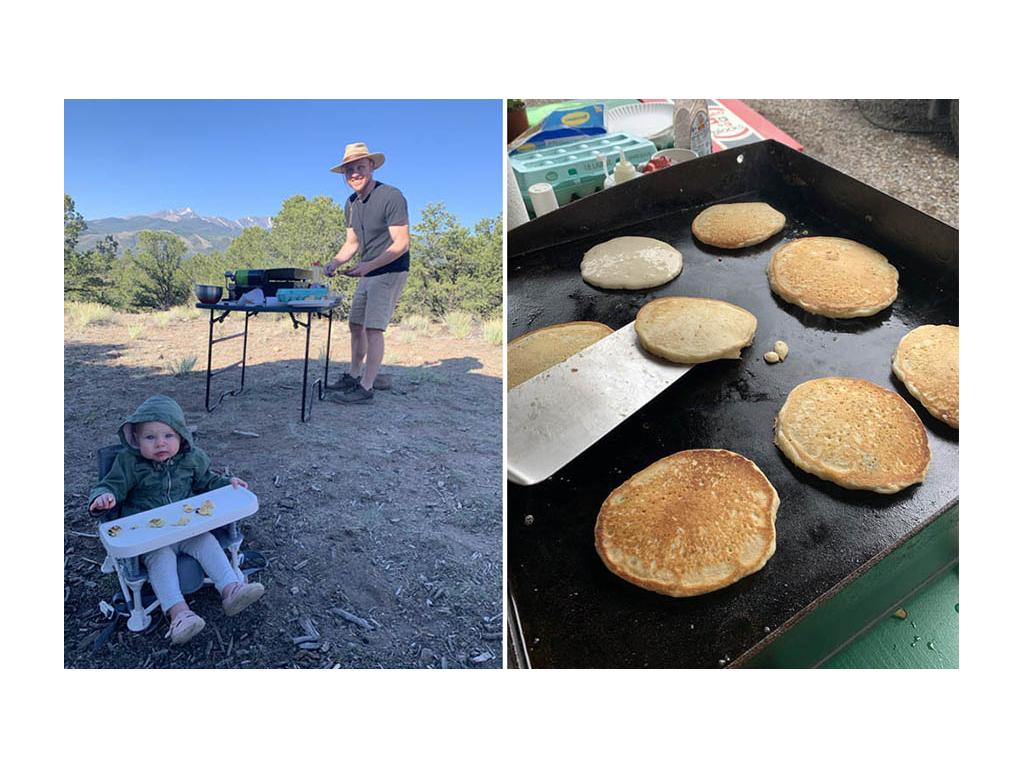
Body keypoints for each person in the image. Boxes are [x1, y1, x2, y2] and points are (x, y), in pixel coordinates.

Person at [88, 395, 265, 645]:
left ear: (181, 436)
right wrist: (104, 496)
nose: (160, 443)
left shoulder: (191, 459)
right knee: (161, 558)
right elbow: (111, 485)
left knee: (207, 541)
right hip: (150, 537)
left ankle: (231, 589)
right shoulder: (129, 463)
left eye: (168, 436)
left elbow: (207, 481)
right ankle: (179, 614)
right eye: (150, 437)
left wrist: (227, 484)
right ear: (136, 439)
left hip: (188, 527)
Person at [324, 142, 411, 404]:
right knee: (355, 324)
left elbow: (402, 243)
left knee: (373, 329)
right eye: (349, 170)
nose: (355, 174)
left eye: (360, 167)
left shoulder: (391, 196)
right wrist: (334, 263)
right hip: (368, 270)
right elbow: (352, 243)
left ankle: (366, 387)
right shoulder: (351, 203)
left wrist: (368, 266)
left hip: (390, 269)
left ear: (371, 166)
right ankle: (354, 375)